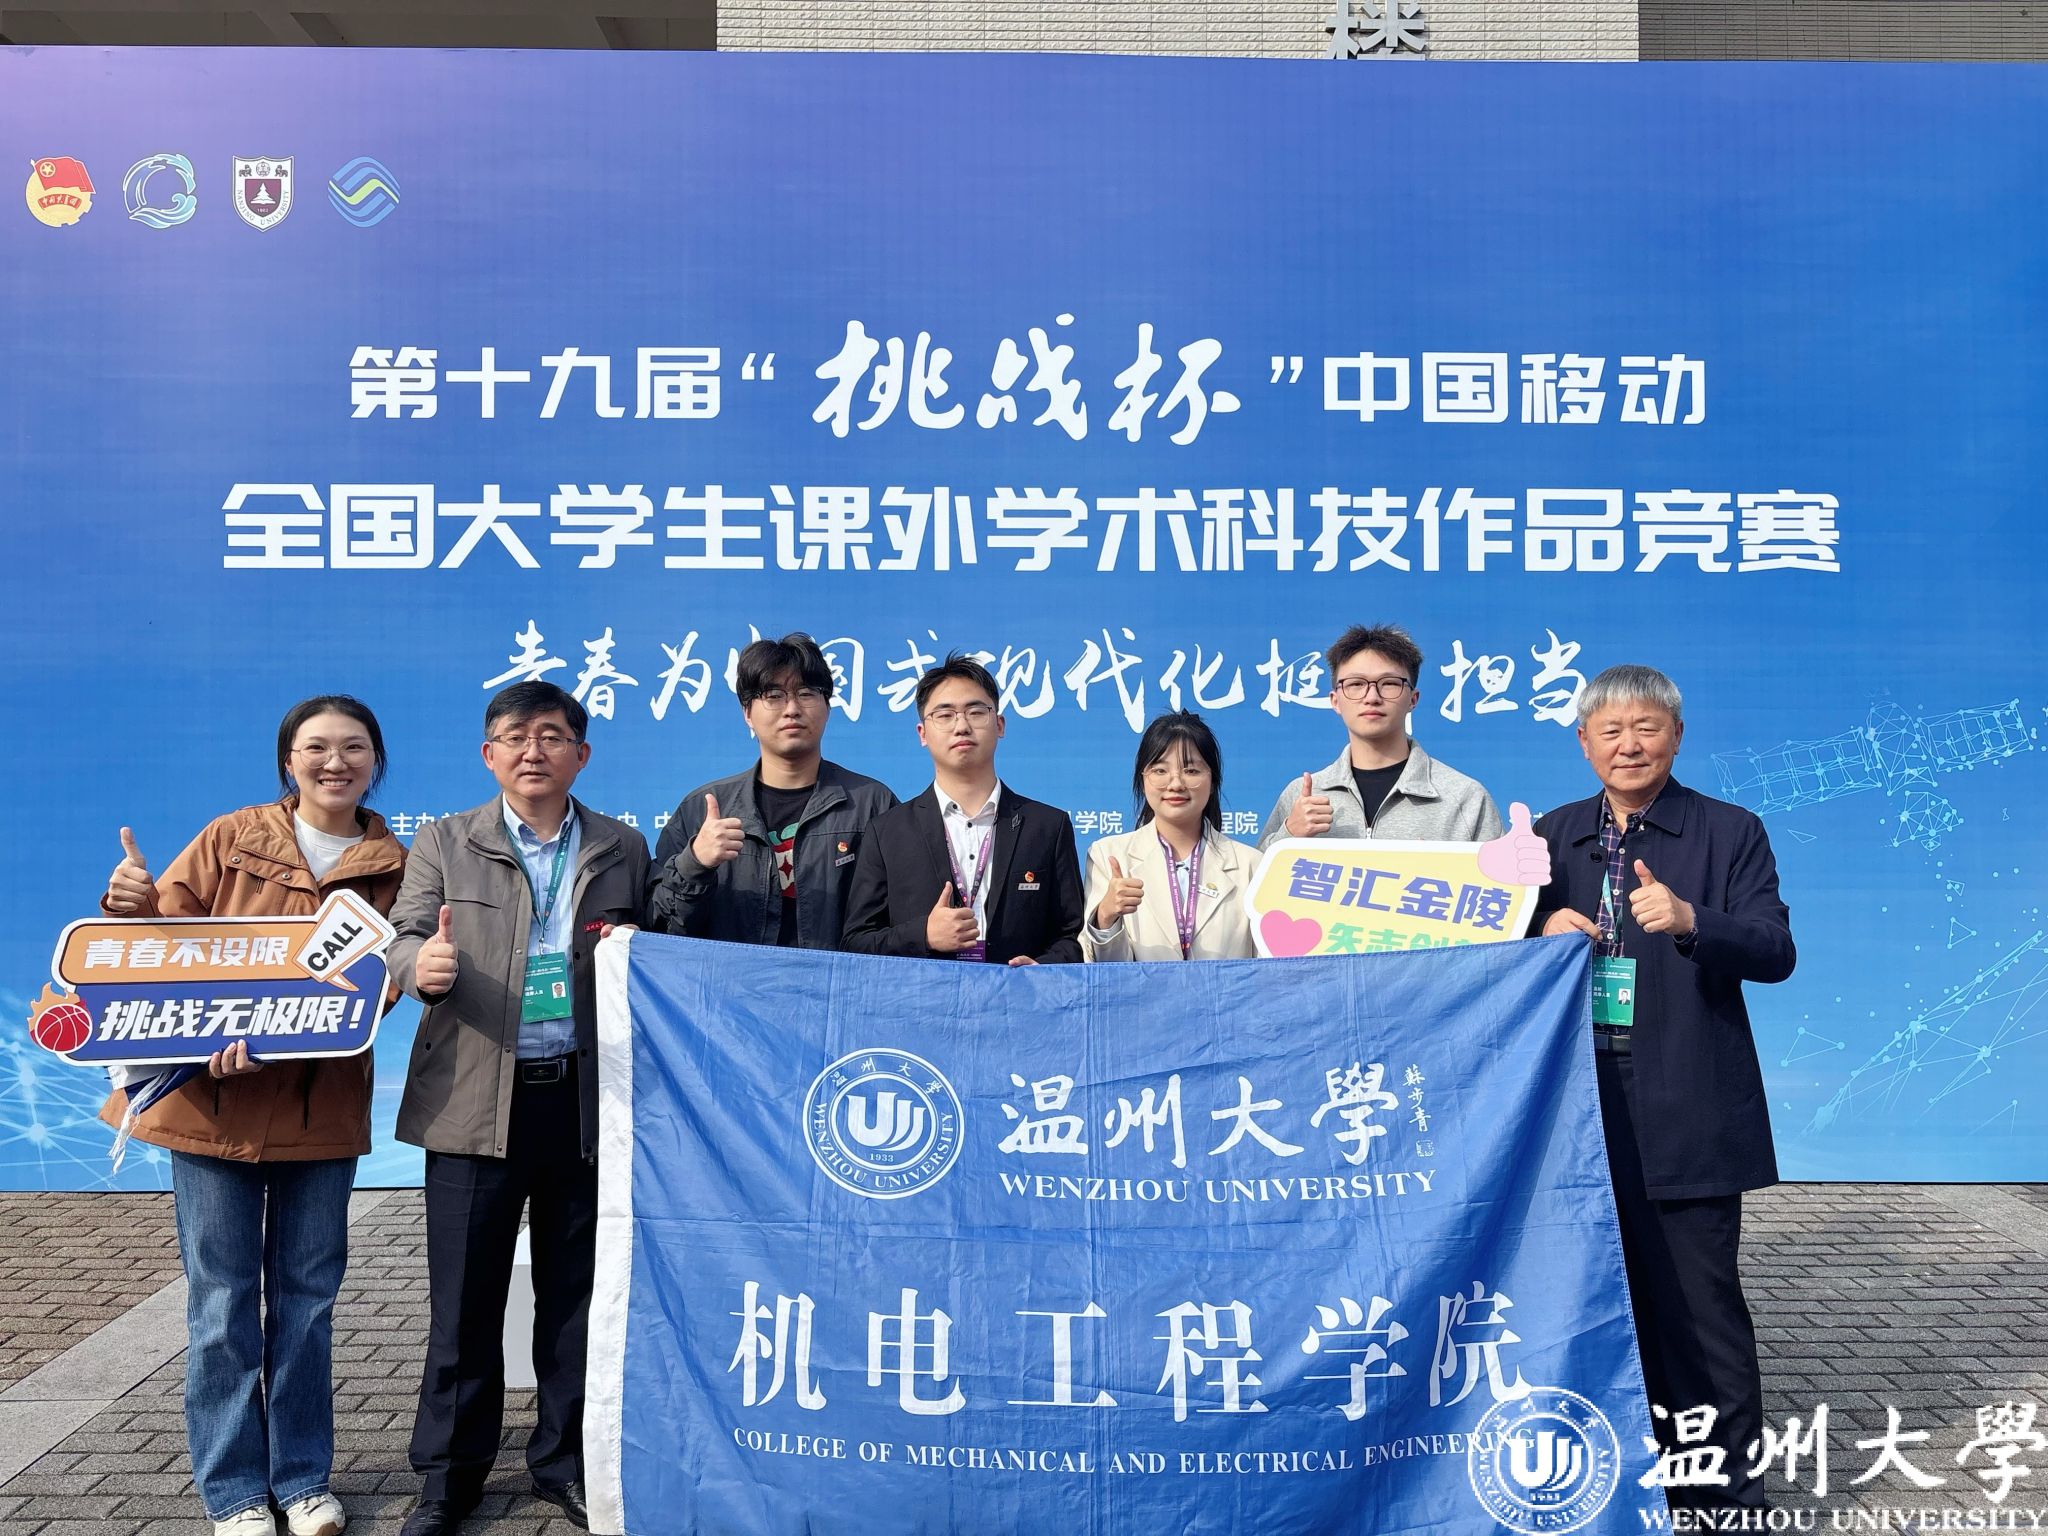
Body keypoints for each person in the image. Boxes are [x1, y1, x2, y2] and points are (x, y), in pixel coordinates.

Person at [97, 695, 406, 1536]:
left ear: (376, 762)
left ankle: (302, 1480)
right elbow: (161, 949)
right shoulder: (232, 836)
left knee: (306, 1304)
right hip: (211, 1106)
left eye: (354, 747)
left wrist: (301, 1031)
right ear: (287, 761)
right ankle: (234, 1492)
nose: (335, 762)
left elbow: (379, 987)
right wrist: (131, 902)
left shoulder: (396, 864)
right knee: (222, 1306)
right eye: (316, 747)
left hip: (319, 1109)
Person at [386, 681, 650, 1536]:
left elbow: (652, 950)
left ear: (582, 753)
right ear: (488, 754)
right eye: (514, 736)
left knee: (575, 1298)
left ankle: (563, 1463)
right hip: (473, 1099)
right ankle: (449, 1478)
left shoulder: (621, 846)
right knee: (465, 1302)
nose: (533, 750)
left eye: (551, 735)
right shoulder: (444, 840)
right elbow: (401, 934)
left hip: (582, 1101)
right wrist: (416, 966)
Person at [1529, 664, 1794, 1512]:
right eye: (1610, 730)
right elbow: (1492, 946)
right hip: (1575, 1112)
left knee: (1698, 1318)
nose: (1629, 745)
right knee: (1596, 1310)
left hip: (1687, 1105)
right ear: (1584, 743)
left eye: (1646, 728)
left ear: (1676, 736)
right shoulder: (1550, 835)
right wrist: (1538, 923)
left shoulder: (1729, 831)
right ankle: (1625, 1497)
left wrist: (1691, 921)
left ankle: (1725, 1507)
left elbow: (1774, 949)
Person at [650, 633, 897, 948]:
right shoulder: (701, 810)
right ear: (747, 713)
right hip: (733, 980)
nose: (792, 708)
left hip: (836, 981)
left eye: (806, 693)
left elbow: (894, 923)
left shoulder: (873, 804)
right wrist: (695, 862)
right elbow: (659, 929)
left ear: (827, 706)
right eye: (774, 695)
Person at [841, 654, 1083, 964]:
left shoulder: (1047, 826)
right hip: (924, 995)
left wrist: (1042, 969)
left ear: (999, 725)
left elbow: (1072, 937)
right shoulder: (888, 831)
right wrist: (923, 935)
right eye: (944, 715)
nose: (962, 726)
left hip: (1019, 994)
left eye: (976, 712)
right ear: (922, 733)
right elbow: (856, 942)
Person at [1258, 623, 1503, 849]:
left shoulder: (1464, 797)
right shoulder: (1303, 796)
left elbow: (1503, 880)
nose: (1372, 697)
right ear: (1335, 701)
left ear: (1413, 699)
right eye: (1356, 684)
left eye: (1389, 683)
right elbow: (1257, 877)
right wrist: (1289, 835)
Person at [1082, 711, 1257, 961]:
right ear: (1143, 779)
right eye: (1160, 770)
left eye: (1191, 771)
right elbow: (1103, 971)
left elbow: (1265, 969)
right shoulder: (1108, 855)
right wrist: (1106, 916)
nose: (1176, 784)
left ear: (1213, 780)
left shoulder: (1251, 865)